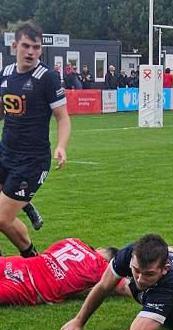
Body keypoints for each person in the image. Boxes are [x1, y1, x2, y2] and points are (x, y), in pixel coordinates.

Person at [0, 22, 70, 257]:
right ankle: (30, 253)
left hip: (32, 161)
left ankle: (31, 257)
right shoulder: (6, 74)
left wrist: (61, 146)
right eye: (26, 46)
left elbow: (62, 117)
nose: (31, 52)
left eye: (36, 47)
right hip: (5, 153)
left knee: (2, 217)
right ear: (14, 46)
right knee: (3, 217)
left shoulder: (47, 78)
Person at [0, 238, 121, 306]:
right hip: (28, 287)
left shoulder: (74, 241)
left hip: (18, 264)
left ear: (100, 248)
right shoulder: (102, 268)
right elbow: (123, 286)